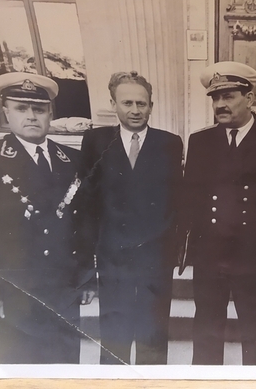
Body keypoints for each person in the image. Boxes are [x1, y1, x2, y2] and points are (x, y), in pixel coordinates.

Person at [179, 61, 256, 365]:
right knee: (207, 330)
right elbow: (191, 197)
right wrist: (185, 246)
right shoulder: (200, 141)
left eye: (228, 96)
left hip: (255, 253)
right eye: (216, 98)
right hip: (210, 253)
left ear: (250, 99)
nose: (220, 105)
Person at [0, 72, 86, 364]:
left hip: (63, 292)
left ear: (50, 113)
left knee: (66, 368)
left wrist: (85, 280)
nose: (31, 116)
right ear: (6, 112)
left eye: (39, 109)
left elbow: (83, 224)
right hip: (13, 294)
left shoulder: (71, 159)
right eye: (21, 108)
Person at [73, 71, 183, 365]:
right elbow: (86, 202)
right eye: (127, 103)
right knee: (114, 330)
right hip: (113, 254)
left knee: (154, 330)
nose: (135, 110)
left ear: (151, 105)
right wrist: (89, 255)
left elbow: (175, 201)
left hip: (154, 255)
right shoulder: (95, 140)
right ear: (113, 104)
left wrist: (172, 250)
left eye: (141, 103)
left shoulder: (170, 143)